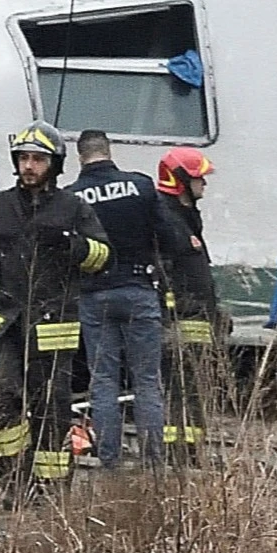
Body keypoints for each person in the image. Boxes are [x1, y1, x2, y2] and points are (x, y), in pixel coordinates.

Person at [0, 123, 108, 500]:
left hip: (52, 329)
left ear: (55, 164)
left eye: (38, 159)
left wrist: (72, 244)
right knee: (0, 403)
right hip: (2, 328)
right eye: (23, 158)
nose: (29, 166)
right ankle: (14, 481)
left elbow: (103, 258)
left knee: (51, 410)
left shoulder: (73, 208)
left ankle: (52, 491)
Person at [67, 131, 195, 469]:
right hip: (139, 289)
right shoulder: (140, 186)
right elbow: (169, 237)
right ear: (109, 151)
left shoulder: (71, 197)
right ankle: (154, 463)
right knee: (147, 380)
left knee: (104, 381)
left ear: (80, 156)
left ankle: (109, 462)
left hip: (94, 295)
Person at [154, 148, 220, 464]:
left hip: (196, 316)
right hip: (182, 318)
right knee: (179, 386)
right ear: (180, 180)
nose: (203, 184)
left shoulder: (185, 217)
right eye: (199, 178)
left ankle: (189, 450)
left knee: (192, 386)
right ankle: (178, 453)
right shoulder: (168, 220)